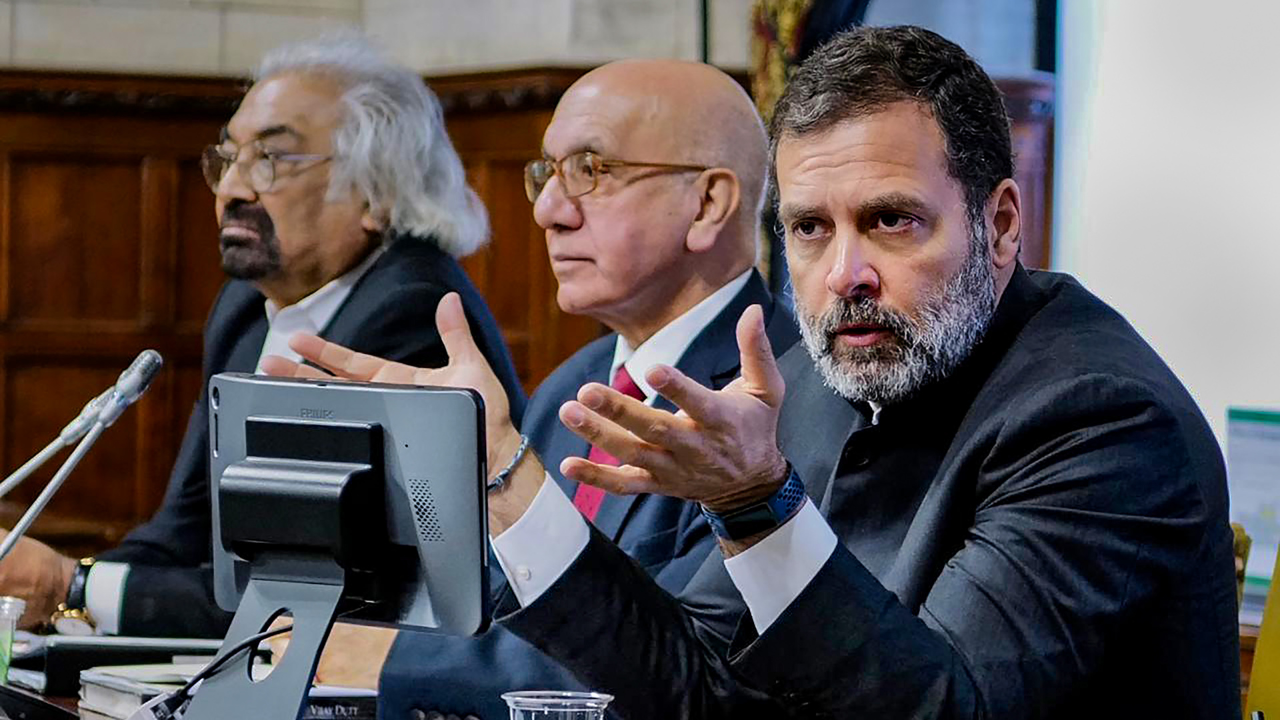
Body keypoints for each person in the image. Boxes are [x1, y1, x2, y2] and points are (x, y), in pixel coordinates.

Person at [283, 26, 1240, 719]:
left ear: (999, 224)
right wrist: (507, 476)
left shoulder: (1100, 418)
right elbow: (689, 679)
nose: (846, 273)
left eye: (892, 220)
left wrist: (757, 507)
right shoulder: (822, 378)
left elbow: (950, 707)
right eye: (811, 229)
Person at [264, 59, 799, 716]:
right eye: (547, 174)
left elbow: (677, 670)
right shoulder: (570, 385)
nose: (548, 211)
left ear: (708, 203)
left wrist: (390, 661)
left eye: (590, 170)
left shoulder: (777, 399)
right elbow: (496, 609)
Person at [0, 33, 525, 638]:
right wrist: (65, 600)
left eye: (270, 159)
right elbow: (183, 533)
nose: (231, 189)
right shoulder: (246, 309)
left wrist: (70, 587)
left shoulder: (412, 313)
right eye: (227, 159)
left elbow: (316, 594)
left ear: (377, 192)